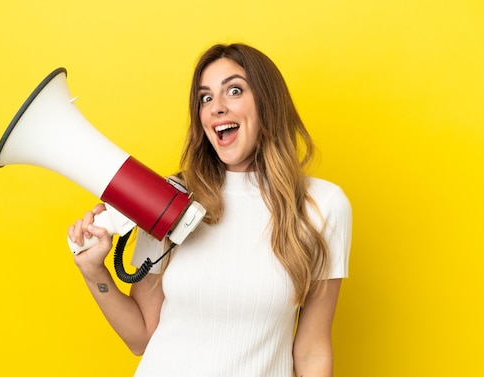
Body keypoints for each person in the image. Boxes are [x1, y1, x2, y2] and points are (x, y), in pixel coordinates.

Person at [68, 43, 352, 377]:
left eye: (234, 91)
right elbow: (141, 337)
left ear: (268, 104)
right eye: (205, 98)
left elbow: (312, 351)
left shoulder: (323, 205)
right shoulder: (169, 197)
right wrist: (94, 272)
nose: (216, 107)